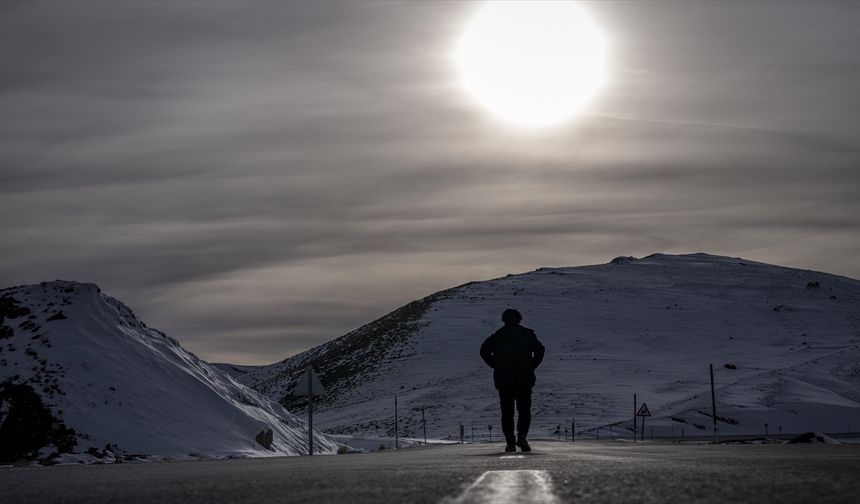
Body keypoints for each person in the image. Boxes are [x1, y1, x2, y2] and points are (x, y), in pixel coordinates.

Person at [479, 308, 545, 452]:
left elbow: (483, 350)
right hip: (523, 379)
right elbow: (540, 350)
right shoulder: (527, 334)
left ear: (504, 320)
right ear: (519, 319)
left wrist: (495, 365)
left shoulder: (497, 336)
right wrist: (532, 366)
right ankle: (522, 437)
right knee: (524, 411)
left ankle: (510, 442)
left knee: (507, 413)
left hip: (504, 380)